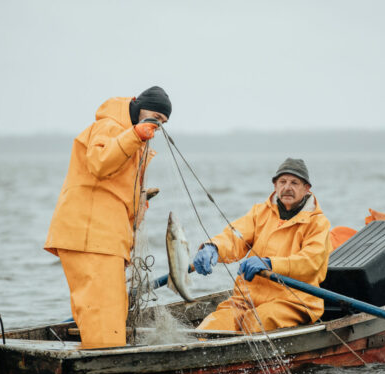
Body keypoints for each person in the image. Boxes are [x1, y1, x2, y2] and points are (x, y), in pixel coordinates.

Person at [44, 86, 171, 349]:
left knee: (102, 311)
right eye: (154, 117)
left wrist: (141, 201)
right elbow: (100, 163)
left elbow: (114, 187)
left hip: (102, 238)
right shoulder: (111, 127)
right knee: (104, 314)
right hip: (91, 236)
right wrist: (135, 134)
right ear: (138, 105)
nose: (156, 125)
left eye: (162, 122)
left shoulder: (133, 140)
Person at [192, 158, 331, 333]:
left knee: (255, 323)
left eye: (294, 182)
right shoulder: (260, 212)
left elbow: (311, 262)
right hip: (246, 299)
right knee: (210, 328)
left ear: (306, 188)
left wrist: (270, 264)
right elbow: (235, 236)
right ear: (275, 186)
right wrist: (213, 247)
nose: (287, 187)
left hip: (294, 301)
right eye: (283, 182)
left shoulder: (318, 223)